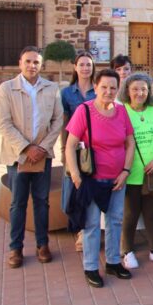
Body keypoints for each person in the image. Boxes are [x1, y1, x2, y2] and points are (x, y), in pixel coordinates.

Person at [0, 46, 64, 268]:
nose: (32, 66)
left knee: (42, 201)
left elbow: (58, 120)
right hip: (17, 157)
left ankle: (42, 244)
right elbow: (3, 123)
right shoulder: (7, 89)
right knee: (18, 203)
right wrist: (26, 148)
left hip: (43, 155)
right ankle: (16, 248)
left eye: (36, 62)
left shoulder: (52, 89)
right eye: (28, 61)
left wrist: (42, 148)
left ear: (41, 65)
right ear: (20, 63)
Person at [65, 69, 134, 288]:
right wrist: (75, 174)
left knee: (115, 221)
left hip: (116, 179)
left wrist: (125, 171)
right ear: (95, 88)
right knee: (92, 224)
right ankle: (91, 267)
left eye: (113, 87)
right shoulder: (84, 111)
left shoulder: (122, 111)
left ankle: (113, 262)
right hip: (92, 179)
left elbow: (130, 142)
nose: (108, 91)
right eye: (104, 87)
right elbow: (70, 145)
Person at [120, 73, 153, 269]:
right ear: (128, 92)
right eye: (135, 89)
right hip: (130, 173)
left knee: (151, 213)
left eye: (143, 89)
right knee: (130, 214)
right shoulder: (121, 111)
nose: (139, 93)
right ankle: (128, 251)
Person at [60, 51, 96, 253]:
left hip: (92, 149)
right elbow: (64, 123)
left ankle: (86, 231)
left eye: (88, 65)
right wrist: (64, 149)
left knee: (89, 188)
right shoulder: (66, 94)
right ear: (75, 67)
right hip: (74, 147)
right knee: (72, 188)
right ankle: (78, 225)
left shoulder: (97, 92)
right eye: (81, 64)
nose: (85, 68)